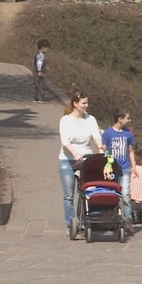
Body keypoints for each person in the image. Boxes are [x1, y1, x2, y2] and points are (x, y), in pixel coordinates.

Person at [58, 92, 105, 229]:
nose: (86, 105)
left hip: (86, 159)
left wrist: (100, 148)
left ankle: (85, 221)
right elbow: (65, 141)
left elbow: (96, 136)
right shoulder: (65, 120)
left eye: (87, 103)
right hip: (68, 160)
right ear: (75, 104)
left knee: (87, 191)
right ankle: (70, 225)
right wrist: (74, 153)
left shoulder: (91, 119)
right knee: (69, 194)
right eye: (83, 103)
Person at [102, 109, 137, 232]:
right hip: (112, 169)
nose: (129, 120)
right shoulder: (108, 133)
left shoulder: (128, 134)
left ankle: (128, 220)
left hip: (125, 168)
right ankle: (111, 218)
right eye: (127, 118)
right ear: (120, 119)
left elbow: (131, 151)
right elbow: (104, 151)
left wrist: (134, 166)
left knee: (126, 194)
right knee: (112, 194)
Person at [33, 38, 50, 103]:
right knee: (42, 84)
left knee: (37, 84)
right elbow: (39, 63)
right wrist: (40, 71)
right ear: (43, 48)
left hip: (35, 71)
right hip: (39, 72)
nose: (47, 50)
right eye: (47, 49)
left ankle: (36, 97)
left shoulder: (38, 54)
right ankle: (40, 98)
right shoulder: (41, 55)